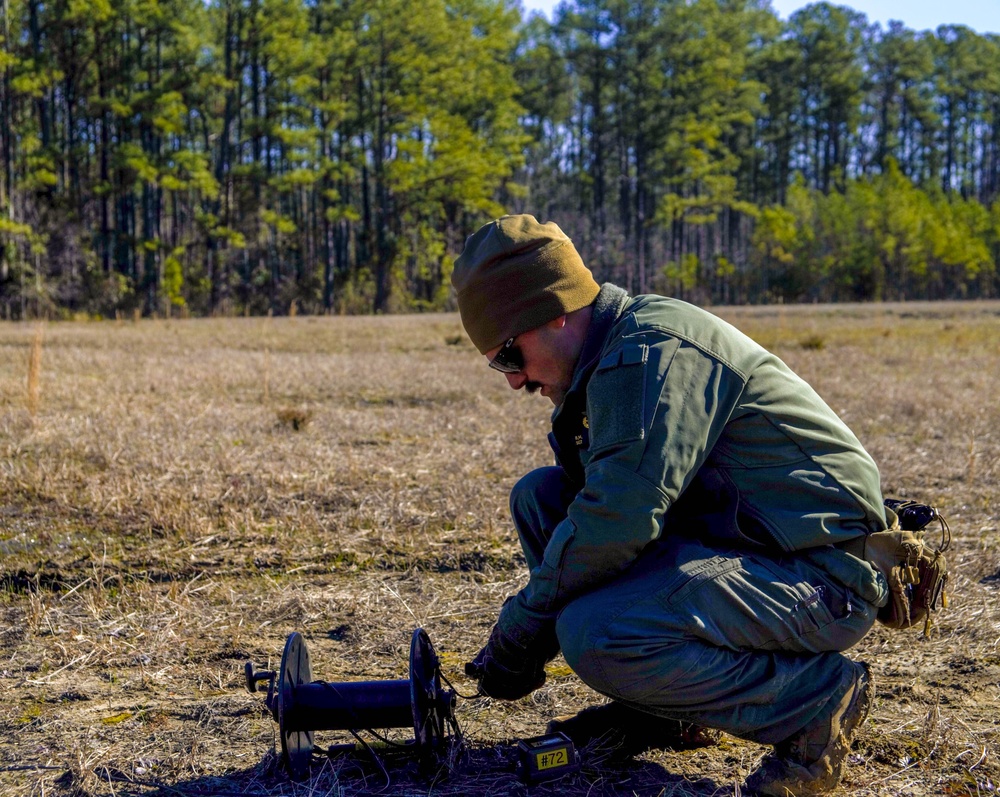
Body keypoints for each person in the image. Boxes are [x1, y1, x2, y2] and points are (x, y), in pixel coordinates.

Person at [454, 214, 891, 796]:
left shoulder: (650, 355)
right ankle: (665, 708)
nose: (514, 381)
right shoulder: (608, 354)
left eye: (511, 356)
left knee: (598, 633)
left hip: (822, 575)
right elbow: (601, 509)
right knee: (542, 500)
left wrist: (522, 628)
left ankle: (812, 703)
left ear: (553, 311)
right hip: (750, 549)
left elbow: (617, 520)